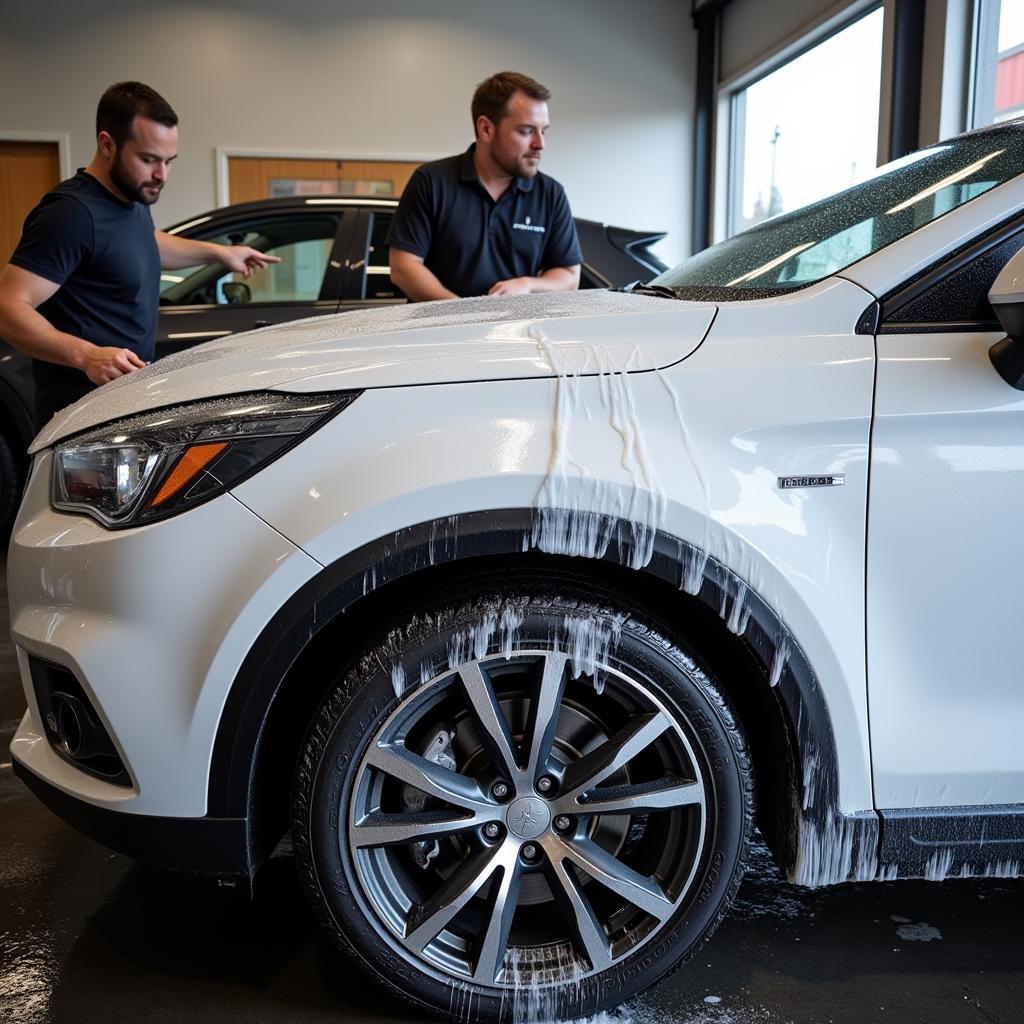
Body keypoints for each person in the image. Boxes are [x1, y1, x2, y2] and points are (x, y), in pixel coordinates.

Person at [0, 81, 280, 429]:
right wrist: (86, 355)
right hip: (79, 415)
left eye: (169, 161)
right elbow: (8, 307)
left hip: (124, 403)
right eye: (149, 159)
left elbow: (145, 242)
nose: (162, 175)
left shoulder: (131, 198)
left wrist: (221, 253)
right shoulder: (70, 214)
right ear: (107, 144)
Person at [387, 71, 581, 301]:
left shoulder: (550, 194)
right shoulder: (431, 181)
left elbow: (569, 276)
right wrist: (463, 316)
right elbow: (404, 267)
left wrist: (528, 285)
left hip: (518, 334)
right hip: (438, 334)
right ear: (486, 129)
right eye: (526, 131)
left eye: (543, 131)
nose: (540, 143)